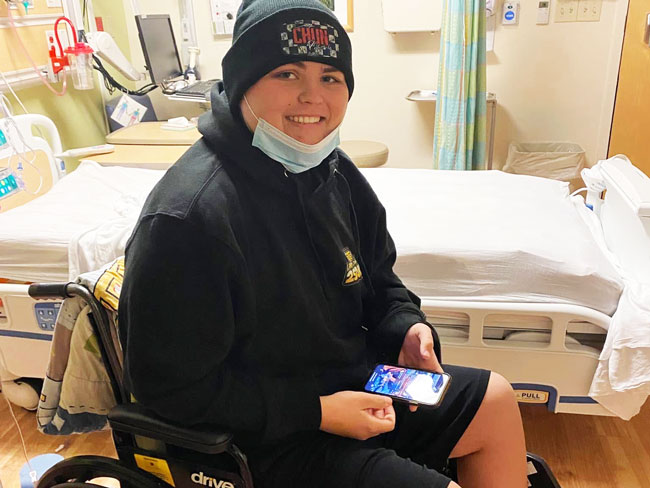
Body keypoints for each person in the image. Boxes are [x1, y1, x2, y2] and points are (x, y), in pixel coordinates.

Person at [119, 1, 527, 486]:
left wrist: (406, 328)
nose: (312, 97)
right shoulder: (189, 218)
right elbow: (170, 390)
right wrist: (317, 413)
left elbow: (380, 280)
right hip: (265, 440)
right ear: (244, 81)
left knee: (496, 398)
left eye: (330, 77)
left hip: (352, 387)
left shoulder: (334, 172)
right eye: (287, 74)